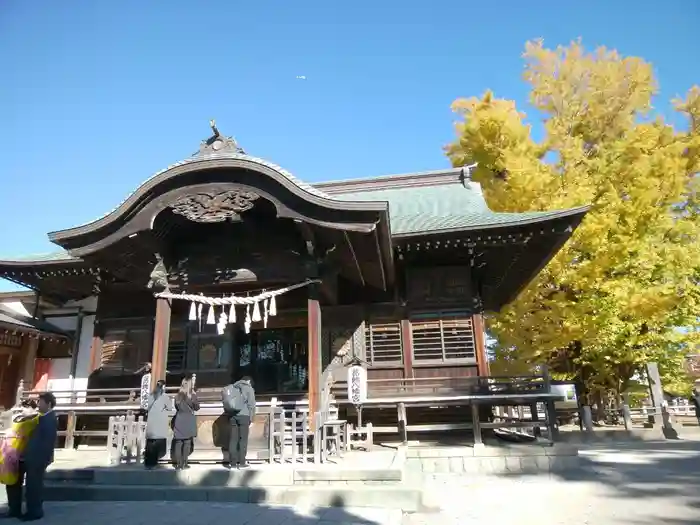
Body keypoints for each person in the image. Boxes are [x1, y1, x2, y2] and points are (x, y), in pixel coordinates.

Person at [4, 392, 58, 521]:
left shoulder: (50, 419)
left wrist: (40, 460)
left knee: (34, 486)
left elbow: (46, 444)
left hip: (37, 459)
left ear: (49, 404)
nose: (38, 405)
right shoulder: (39, 417)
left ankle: (34, 512)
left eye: (41, 402)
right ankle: (15, 509)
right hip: (26, 456)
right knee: (16, 483)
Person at [226, 376, 256, 470]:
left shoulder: (232, 387)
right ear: (248, 381)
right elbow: (251, 405)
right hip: (244, 416)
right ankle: (242, 462)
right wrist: (251, 418)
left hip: (233, 416)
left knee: (233, 439)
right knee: (243, 439)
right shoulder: (248, 388)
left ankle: (233, 463)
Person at [171, 375, 199, 470]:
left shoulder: (177, 396)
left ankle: (178, 464)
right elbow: (197, 407)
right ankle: (184, 463)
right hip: (189, 420)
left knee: (178, 442)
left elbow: (176, 407)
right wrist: (194, 394)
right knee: (187, 442)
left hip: (179, 419)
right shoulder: (192, 395)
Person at [144, 380, 172, 469]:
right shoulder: (164, 397)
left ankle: (148, 462)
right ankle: (155, 462)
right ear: (163, 387)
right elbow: (170, 407)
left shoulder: (151, 396)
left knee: (150, 444)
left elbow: (146, 406)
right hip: (160, 424)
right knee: (157, 445)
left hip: (151, 424)